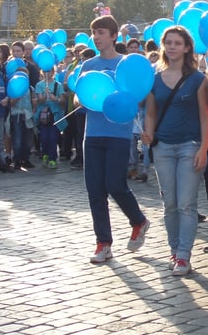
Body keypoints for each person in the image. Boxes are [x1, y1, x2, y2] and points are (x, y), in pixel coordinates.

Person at [79, 15, 150, 264]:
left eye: (101, 32)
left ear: (113, 36)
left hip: (119, 133)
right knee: (94, 190)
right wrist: (83, 99)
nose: (97, 37)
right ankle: (103, 243)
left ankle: (138, 220)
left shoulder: (125, 64)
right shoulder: (89, 65)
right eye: (94, 33)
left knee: (115, 184)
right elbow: (79, 95)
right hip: (92, 133)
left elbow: (138, 96)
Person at [142, 26, 208, 276]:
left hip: (189, 146)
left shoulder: (197, 79)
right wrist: (148, 134)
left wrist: (203, 148)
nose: (172, 47)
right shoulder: (154, 78)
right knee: (169, 203)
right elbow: (151, 113)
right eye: (168, 42)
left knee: (186, 204)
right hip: (162, 147)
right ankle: (173, 250)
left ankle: (183, 255)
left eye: (177, 43)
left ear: (187, 47)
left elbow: (205, 116)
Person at [35, 67, 67, 169]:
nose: (47, 73)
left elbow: (63, 100)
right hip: (43, 115)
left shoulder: (58, 85)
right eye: (44, 71)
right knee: (44, 137)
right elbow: (39, 100)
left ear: (53, 72)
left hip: (54, 115)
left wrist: (56, 99)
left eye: (49, 71)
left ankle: (53, 159)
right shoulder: (39, 85)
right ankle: (45, 154)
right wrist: (45, 95)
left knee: (53, 137)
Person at [8, 67, 36, 170]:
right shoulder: (13, 88)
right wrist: (17, 96)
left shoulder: (30, 88)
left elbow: (34, 100)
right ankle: (17, 160)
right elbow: (10, 103)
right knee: (17, 138)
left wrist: (34, 108)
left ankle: (26, 158)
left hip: (28, 115)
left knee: (28, 139)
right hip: (17, 115)